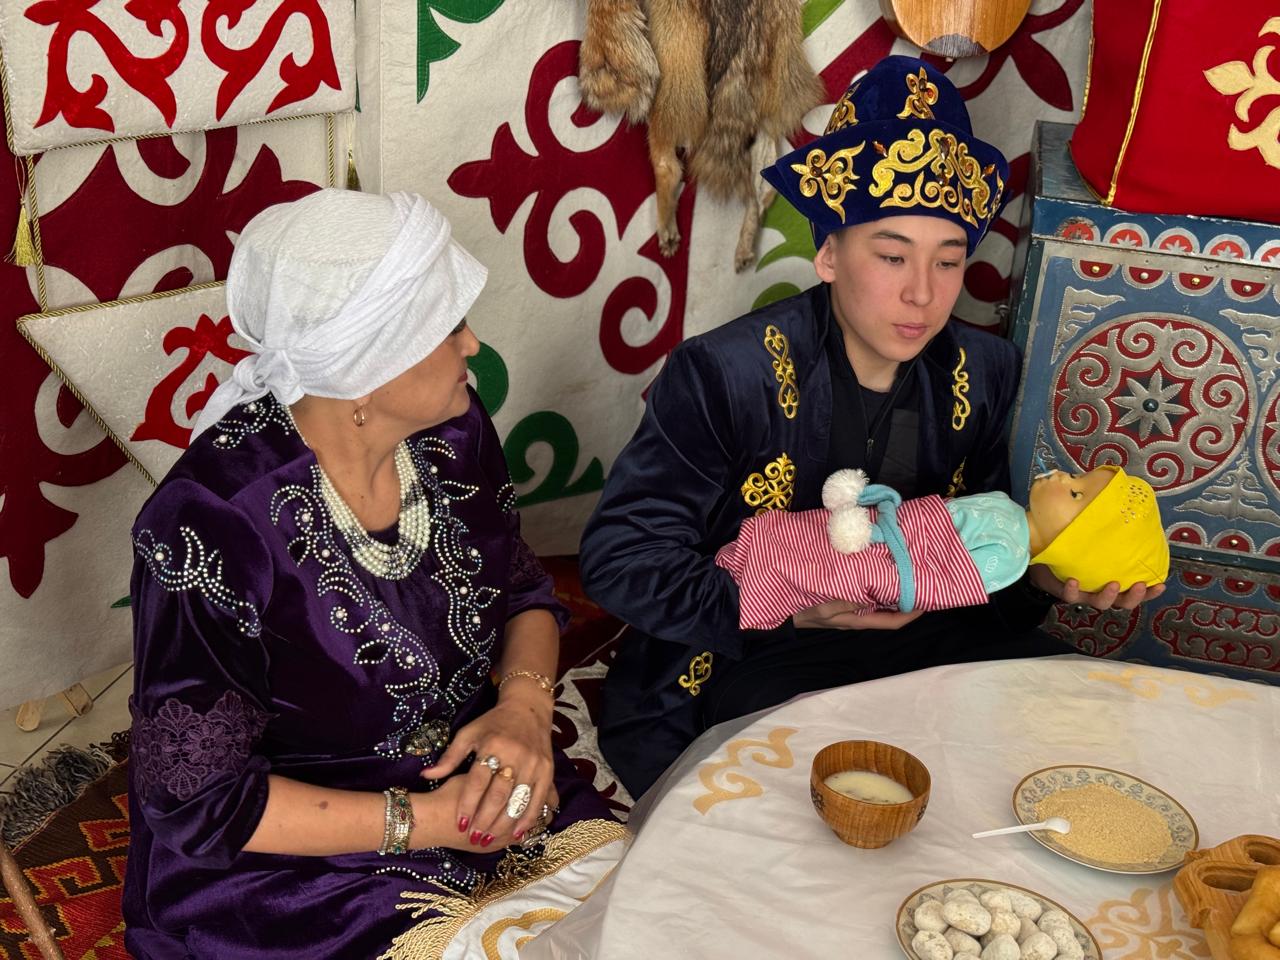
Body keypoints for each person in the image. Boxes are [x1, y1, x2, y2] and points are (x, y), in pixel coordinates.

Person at [578, 55, 1165, 798]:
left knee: (1082, 722)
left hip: (932, 642)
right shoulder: (726, 374)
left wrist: (1043, 575)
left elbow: (974, 555)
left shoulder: (984, 370)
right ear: (828, 253)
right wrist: (793, 608)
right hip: (759, 653)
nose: (922, 294)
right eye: (892, 256)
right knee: (816, 782)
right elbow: (621, 559)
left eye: (948, 262)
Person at [124, 189, 624, 960]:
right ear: (365, 366)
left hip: (475, 786)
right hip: (296, 863)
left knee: (650, 915)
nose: (473, 345)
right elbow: (199, 802)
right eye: (448, 328)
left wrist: (524, 711)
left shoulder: (454, 430)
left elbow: (522, 589)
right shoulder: (210, 524)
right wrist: (430, 821)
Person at [719, 465, 1170, 630]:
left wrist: (885, 576)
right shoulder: (1006, 506)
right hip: (889, 529)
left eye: (1074, 491)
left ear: (1069, 541)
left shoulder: (1010, 559)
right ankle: (753, 553)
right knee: (805, 535)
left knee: (815, 570)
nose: (1060, 475)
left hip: (886, 564)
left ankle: (757, 583)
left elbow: (939, 586)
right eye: (1077, 475)